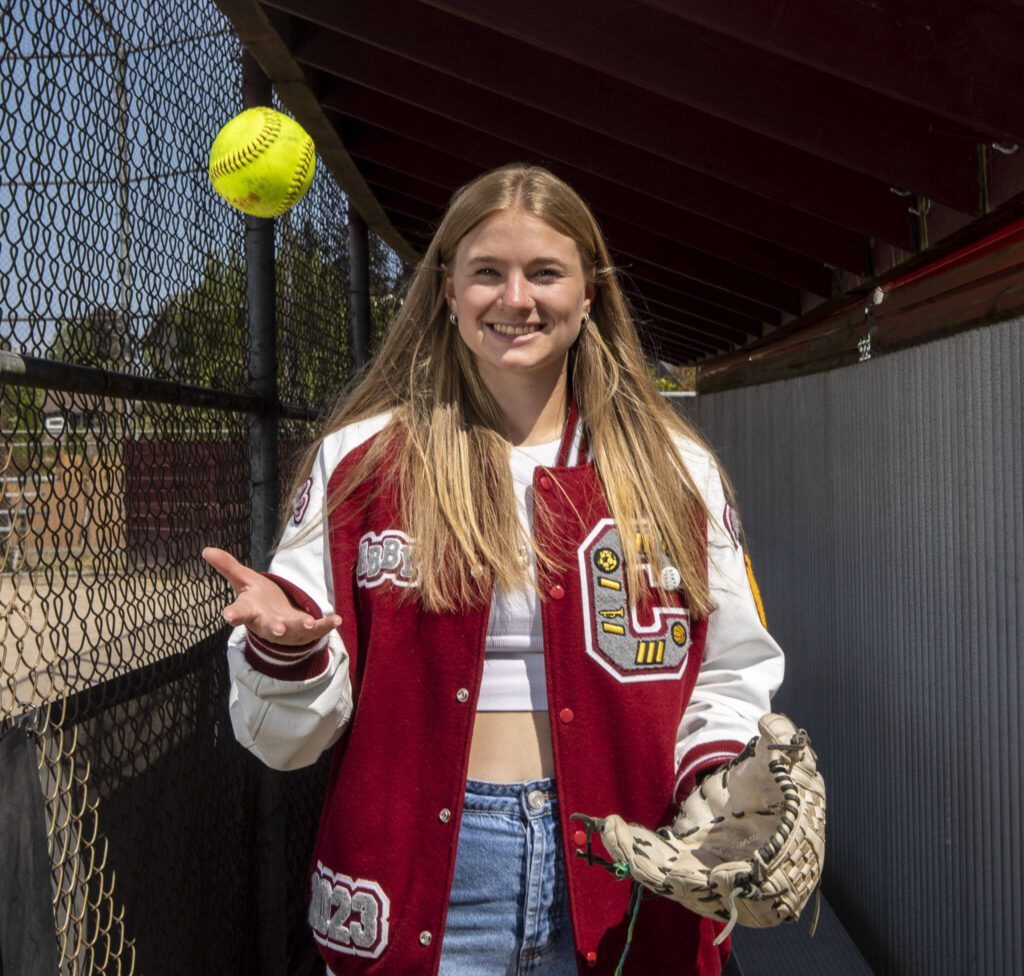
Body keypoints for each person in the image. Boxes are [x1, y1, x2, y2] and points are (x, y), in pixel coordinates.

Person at [203, 163, 783, 976]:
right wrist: (289, 652)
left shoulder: (675, 468)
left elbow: (732, 665)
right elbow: (286, 741)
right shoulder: (364, 460)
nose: (517, 299)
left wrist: (715, 777)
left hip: (629, 865)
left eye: (546, 272)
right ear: (447, 291)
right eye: (487, 273)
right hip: (421, 873)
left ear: (589, 297)